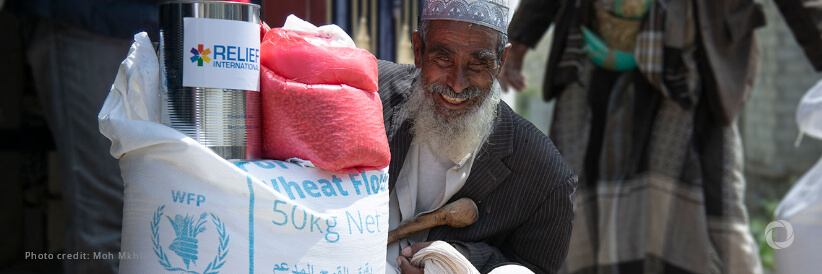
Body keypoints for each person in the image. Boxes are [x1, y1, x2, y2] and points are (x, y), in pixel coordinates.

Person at [499, 0, 768, 273]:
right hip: (593, 60)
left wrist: (814, 42)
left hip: (689, 68)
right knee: (574, 199)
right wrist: (521, 36)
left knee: (707, 203)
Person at [377, 0, 577, 273]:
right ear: (418, 50)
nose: (457, 83)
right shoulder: (367, 95)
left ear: (500, 63)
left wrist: (458, 260)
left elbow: (533, 268)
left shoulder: (545, 178)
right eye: (444, 58)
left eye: (478, 64)